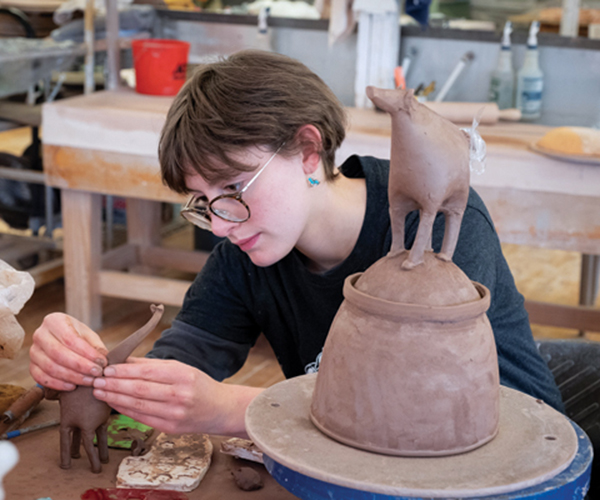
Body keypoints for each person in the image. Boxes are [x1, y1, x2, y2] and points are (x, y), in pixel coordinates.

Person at [29, 50, 564, 440]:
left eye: (234, 188)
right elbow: (184, 365)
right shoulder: (244, 250)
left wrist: (235, 411)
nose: (218, 223)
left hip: (510, 459)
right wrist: (87, 365)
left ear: (308, 151)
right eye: (202, 199)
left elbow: (420, 413)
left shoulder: (437, 224)